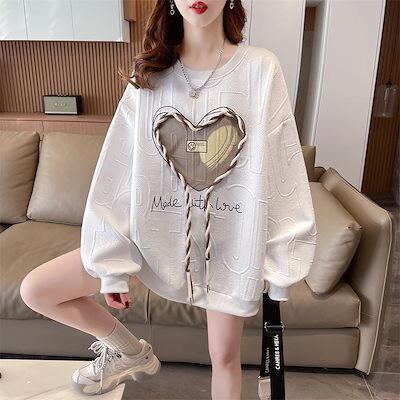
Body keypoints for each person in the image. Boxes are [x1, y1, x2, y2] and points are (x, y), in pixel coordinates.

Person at [19, 0, 317, 398]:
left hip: (229, 245)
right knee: (36, 290)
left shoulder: (260, 69)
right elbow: (118, 171)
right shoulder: (148, 76)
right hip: (150, 238)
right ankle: (128, 353)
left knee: (224, 357)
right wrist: (112, 266)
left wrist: (281, 265)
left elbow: (283, 167)